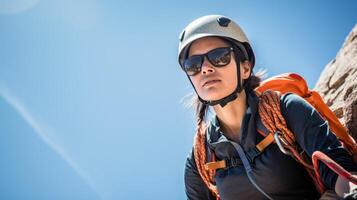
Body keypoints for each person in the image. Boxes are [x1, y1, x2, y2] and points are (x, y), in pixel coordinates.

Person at [177, 15, 357, 200]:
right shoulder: (200, 158)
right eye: (193, 65)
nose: (205, 68)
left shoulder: (287, 110)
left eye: (219, 56)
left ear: (246, 69)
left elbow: (339, 172)